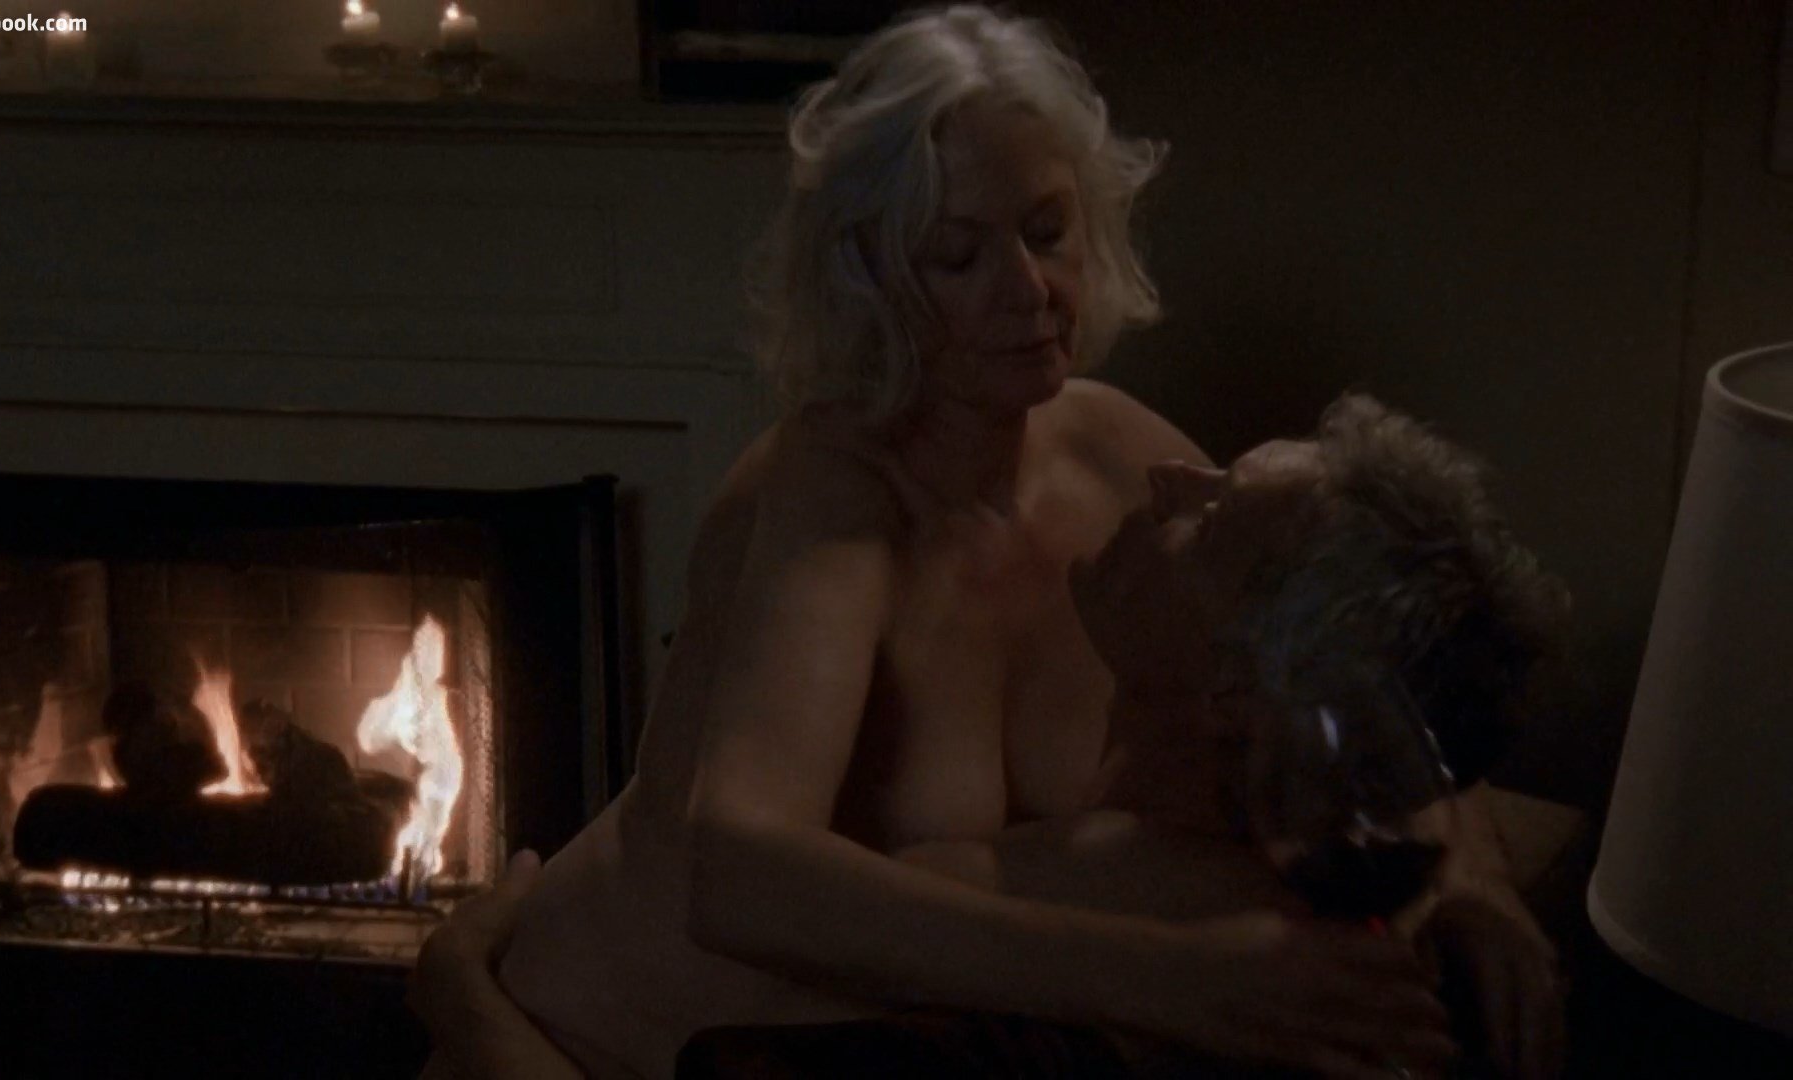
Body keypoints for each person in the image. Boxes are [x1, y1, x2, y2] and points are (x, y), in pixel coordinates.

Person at [412, 7, 1562, 1079]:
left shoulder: (1121, 458)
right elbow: (738, 875)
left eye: (1047, 232)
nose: (1028, 291)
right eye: (957, 256)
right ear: (868, 277)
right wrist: (1171, 979)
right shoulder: (829, 488)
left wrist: (1474, 885)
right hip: (583, 1035)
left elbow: (1343, 653)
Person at [674, 392, 1572, 1078]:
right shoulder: (1317, 832)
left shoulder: (1027, 885)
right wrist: (1477, 883)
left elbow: (729, 997)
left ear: (1238, 691)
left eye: (1210, 515)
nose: (1169, 473)